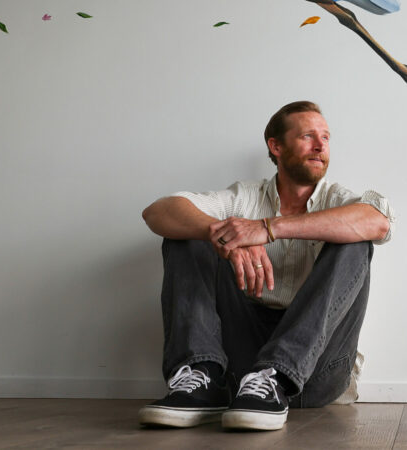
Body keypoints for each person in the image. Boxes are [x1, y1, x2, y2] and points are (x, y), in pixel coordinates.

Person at [138, 101, 392, 431]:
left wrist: (267, 228)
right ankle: (202, 381)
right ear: (276, 146)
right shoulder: (244, 196)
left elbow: (378, 222)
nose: (320, 146)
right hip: (241, 369)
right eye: (308, 136)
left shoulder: (340, 200)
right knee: (187, 233)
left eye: (326, 137)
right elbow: (157, 212)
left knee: (354, 239)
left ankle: (277, 376)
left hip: (314, 373)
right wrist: (222, 236)